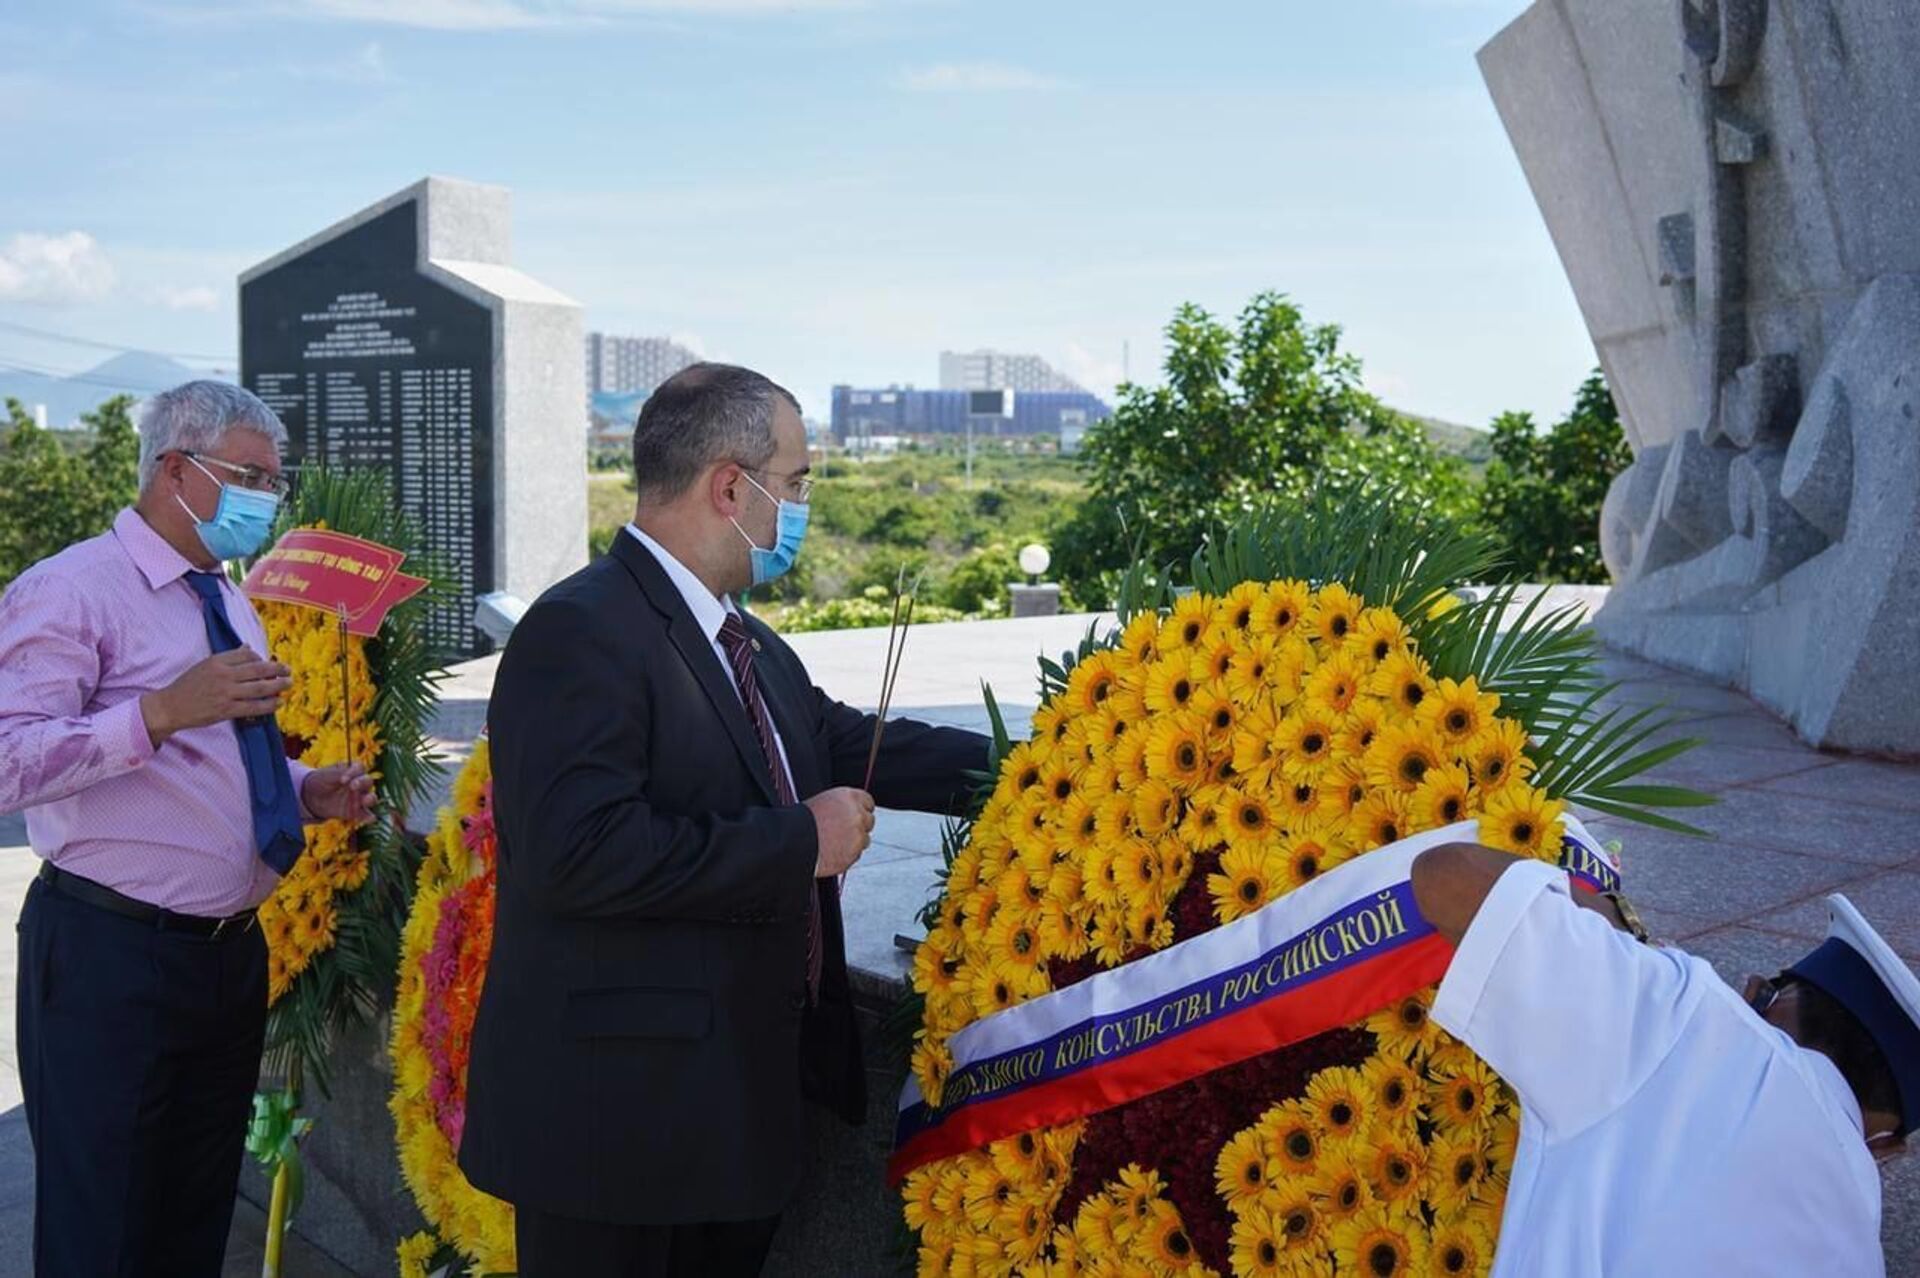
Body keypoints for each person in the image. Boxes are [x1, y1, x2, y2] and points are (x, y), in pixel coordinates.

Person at [461, 362, 991, 1277]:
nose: (802, 507)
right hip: (616, 1129)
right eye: (796, 484)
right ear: (729, 486)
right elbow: (578, 854)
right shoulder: (581, 629)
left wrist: (1042, 760)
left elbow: (848, 742)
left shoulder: (745, 641)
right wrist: (802, 842)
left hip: (730, 1114)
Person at [0, 380, 374, 1276]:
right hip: (112, 958)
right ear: (175, 470)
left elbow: (215, 764)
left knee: (192, 1221)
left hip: (225, 957)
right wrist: (158, 713)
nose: (267, 499)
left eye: (275, 481)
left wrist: (303, 788)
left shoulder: (224, 595)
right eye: (250, 475)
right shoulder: (72, 589)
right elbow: (9, 758)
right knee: (107, 1232)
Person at [1411, 840, 1912, 1277]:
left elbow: (1449, 876)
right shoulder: (1861, 1244)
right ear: (1886, 1147)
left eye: (1764, 989)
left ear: (1768, 995)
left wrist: (1618, 925)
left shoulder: (1690, 1024)